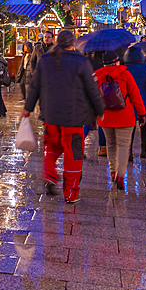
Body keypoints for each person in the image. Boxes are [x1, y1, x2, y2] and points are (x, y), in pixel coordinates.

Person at [22, 29, 105, 204]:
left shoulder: (45, 60)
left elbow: (35, 86)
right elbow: (92, 89)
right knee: (73, 155)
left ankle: (50, 174)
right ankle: (71, 193)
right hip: (74, 118)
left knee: (52, 147)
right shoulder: (81, 61)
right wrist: (99, 111)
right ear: (72, 44)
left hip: (51, 115)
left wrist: (27, 108)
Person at [94, 51, 146, 191]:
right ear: (117, 61)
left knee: (110, 143)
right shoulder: (125, 74)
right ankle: (120, 176)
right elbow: (135, 95)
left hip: (106, 117)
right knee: (123, 146)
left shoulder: (97, 76)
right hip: (125, 116)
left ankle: (112, 172)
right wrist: (141, 114)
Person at [123, 46, 146, 160]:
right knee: (144, 126)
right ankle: (144, 149)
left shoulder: (124, 68)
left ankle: (129, 152)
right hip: (144, 100)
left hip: (129, 100)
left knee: (130, 127)